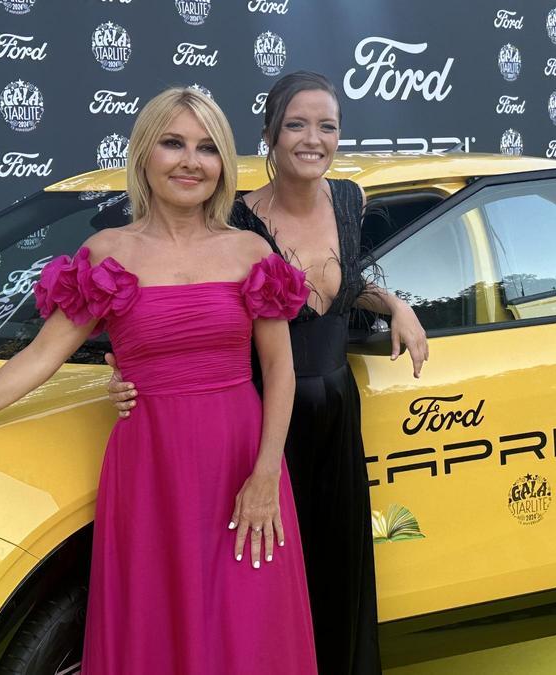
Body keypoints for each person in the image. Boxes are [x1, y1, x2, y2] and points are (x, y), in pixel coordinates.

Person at [0, 88, 317, 673]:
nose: (191, 161)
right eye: (173, 143)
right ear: (143, 155)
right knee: (155, 627)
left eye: (207, 148)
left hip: (242, 466)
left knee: (245, 630)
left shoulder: (249, 252)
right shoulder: (107, 255)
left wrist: (266, 474)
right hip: (151, 469)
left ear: (223, 164)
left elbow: (280, 371)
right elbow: (39, 359)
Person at [106, 71, 429, 674]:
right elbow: (183, 303)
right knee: (265, 586)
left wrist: (396, 305)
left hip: (336, 405)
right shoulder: (234, 221)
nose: (313, 139)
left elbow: (343, 284)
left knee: (341, 568)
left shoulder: (350, 200)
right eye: (296, 125)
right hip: (259, 420)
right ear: (268, 138)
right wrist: (126, 367)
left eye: (327, 126)